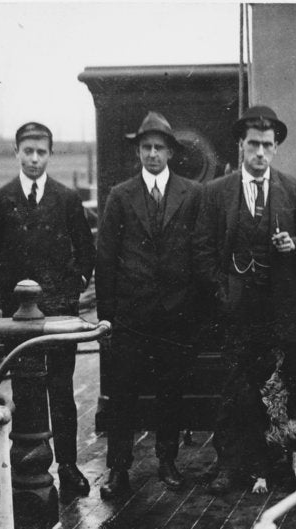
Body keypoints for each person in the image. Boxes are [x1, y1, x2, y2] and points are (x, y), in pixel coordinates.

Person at [195, 105, 296, 494]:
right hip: (238, 312)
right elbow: (201, 250)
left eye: (268, 146)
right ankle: (231, 466)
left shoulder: (291, 187)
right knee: (236, 388)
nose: (261, 153)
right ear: (240, 145)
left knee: (289, 384)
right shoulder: (216, 192)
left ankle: (295, 462)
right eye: (254, 144)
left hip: (283, 308)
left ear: (276, 148)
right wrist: (225, 293)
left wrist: (294, 245)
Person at [0, 122, 96, 499]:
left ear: (50, 154)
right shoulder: (1, 200)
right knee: (24, 392)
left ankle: (67, 465)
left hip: (58, 314)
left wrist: (69, 291)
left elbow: (85, 252)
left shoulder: (66, 200)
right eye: (27, 151)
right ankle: (24, 470)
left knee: (61, 390)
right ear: (16, 151)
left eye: (41, 152)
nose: (34, 159)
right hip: (18, 319)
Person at [94, 111, 203, 499]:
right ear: (138, 151)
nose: (152, 154)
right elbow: (105, 258)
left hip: (175, 316)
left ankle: (168, 462)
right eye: (146, 147)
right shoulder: (120, 196)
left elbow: (198, 253)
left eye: (159, 147)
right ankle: (118, 469)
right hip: (131, 318)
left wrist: (193, 311)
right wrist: (107, 317)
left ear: (170, 152)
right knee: (123, 395)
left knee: (170, 392)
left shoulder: (191, 194)